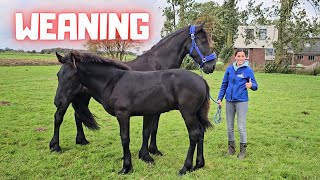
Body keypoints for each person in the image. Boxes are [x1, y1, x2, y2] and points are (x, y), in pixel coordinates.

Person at [217, 48, 258, 159]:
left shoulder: (248, 70)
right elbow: (224, 84)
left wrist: (251, 86)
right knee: (229, 127)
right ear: (235, 57)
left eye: (242, 56)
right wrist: (220, 98)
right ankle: (231, 148)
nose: (240, 58)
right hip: (229, 101)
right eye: (238, 56)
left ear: (245, 57)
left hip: (241, 102)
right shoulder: (229, 69)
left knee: (241, 127)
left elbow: (255, 85)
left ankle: (243, 150)